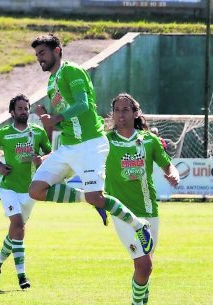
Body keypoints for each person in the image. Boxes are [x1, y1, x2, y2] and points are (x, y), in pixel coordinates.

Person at [29, 34, 153, 254]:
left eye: (42, 53)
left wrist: (56, 118)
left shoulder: (71, 71)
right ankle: (88, 197)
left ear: (57, 51)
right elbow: (68, 118)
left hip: (90, 144)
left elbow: (83, 104)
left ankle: (139, 225)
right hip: (68, 147)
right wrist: (49, 118)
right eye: (37, 54)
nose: (39, 58)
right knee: (36, 190)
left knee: (97, 197)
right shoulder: (51, 82)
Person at [105, 93, 180, 305]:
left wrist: (173, 175)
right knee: (144, 264)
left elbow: (168, 166)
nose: (122, 114)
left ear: (136, 113)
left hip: (149, 211)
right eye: (117, 110)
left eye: (126, 109)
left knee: (145, 269)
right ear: (113, 114)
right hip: (122, 213)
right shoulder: (105, 142)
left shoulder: (149, 141)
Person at [0, 94, 52, 289]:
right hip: (9, 188)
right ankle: (22, 275)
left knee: (15, 232)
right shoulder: (4, 133)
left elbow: (49, 153)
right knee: (18, 225)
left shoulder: (38, 132)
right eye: (20, 109)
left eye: (26, 108)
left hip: (30, 191)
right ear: (12, 112)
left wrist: (41, 159)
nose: (24, 111)